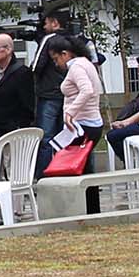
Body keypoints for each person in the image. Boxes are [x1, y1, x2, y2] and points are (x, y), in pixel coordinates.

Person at [43, 33, 103, 175]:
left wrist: (70, 113)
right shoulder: (86, 63)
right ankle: (90, 197)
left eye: (56, 59)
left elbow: (86, 90)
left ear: (65, 54)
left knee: (73, 166)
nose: (56, 64)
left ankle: (80, 197)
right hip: (89, 123)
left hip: (82, 125)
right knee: (84, 166)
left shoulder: (77, 67)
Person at [0, 28, 35, 144]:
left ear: (8, 50)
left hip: (12, 134)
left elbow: (28, 106)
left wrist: (18, 128)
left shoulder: (22, 72)